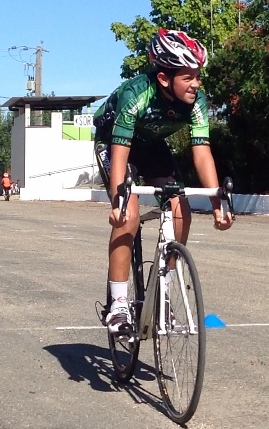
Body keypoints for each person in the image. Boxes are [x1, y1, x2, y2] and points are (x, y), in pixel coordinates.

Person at [93, 28, 233, 333]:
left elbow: (202, 152)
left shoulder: (197, 101)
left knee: (180, 209)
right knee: (127, 217)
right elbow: (120, 154)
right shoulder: (136, 94)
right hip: (116, 145)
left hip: (152, 145)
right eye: (188, 77)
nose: (196, 83)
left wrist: (217, 201)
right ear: (164, 79)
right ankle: (117, 305)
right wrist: (118, 201)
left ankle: (162, 297)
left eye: (198, 75)